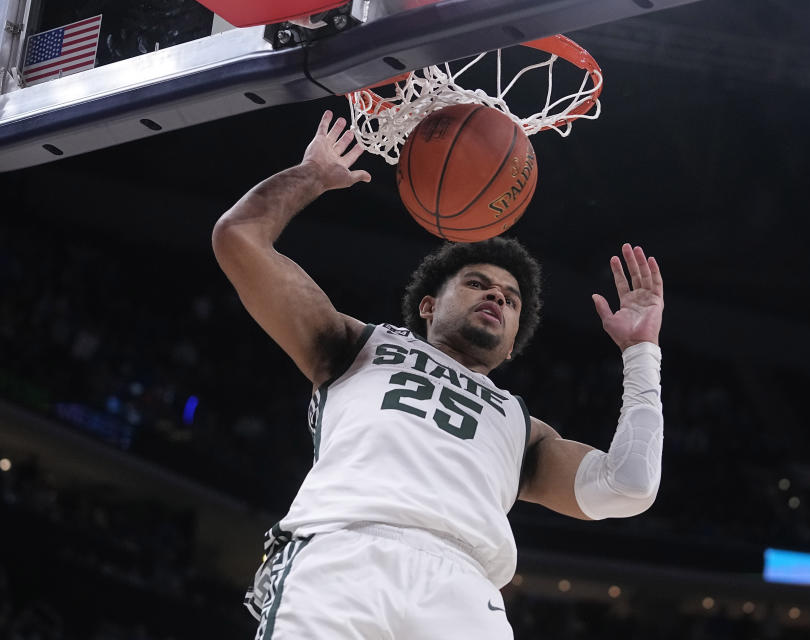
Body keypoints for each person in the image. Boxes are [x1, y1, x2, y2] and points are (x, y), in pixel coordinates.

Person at [212, 110, 666, 640]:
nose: (497, 294)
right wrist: (312, 174)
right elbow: (239, 238)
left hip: (467, 594)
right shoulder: (355, 345)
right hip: (344, 557)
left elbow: (629, 485)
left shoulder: (523, 427)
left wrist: (641, 354)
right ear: (428, 305)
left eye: (511, 299)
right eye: (477, 283)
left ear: (514, 344)